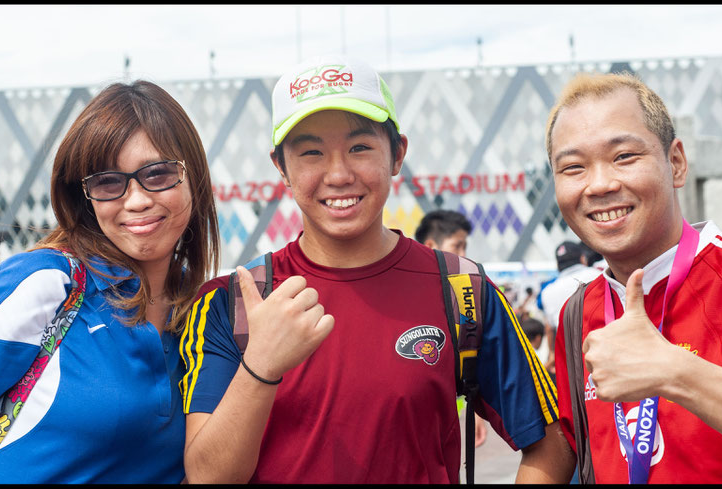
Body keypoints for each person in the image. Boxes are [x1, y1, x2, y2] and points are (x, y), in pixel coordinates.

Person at [179, 54, 574, 484]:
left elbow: (550, 440)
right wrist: (260, 366)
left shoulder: (463, 287)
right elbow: (206, 476)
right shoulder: (234, 300)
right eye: (311, 152)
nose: (338, 174)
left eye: (360, 148)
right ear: (282, 169)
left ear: (397, 154)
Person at [0, 80, 220, 483]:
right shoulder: (49, 281)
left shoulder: (206, 309)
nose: (136, 200)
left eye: (158, 174)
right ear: (86, 197)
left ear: (193, 177)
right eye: (108, 182)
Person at [547, 72, 722, 483]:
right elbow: (565, 445)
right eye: (573, 167)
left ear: (675, 162)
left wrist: (675, 372)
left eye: (624, 156)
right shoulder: (578, 311)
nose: (601, 184)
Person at [414, 209, 489, 448]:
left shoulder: (465, 294)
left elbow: (471, 356)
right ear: (430, 245)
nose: (464, 255)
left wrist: (475, 411)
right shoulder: (408, 294)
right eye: (457, 246)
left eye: (465, 246)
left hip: (445, 429)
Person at [539, 241, 601, 374]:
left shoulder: (547, 291)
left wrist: (551, 354)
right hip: (601, 348)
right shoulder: (598, 275)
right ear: (582, 258)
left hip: (569, 357)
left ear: (558, 265)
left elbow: (550, 328)